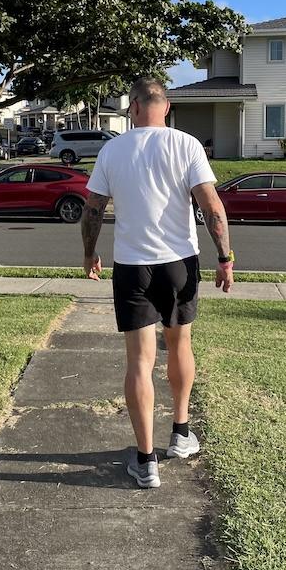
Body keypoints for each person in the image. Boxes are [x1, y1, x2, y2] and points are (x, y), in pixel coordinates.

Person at [80, 77, 233, 488]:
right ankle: (181, 435)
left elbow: (92, 208)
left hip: (132, 266)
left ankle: (146, 461)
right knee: (180, 344)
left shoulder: (113, 149)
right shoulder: (187, 145)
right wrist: (225, 257)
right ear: (165, 107)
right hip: (179, 264)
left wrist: (89, 253)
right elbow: (212, 208)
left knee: (139, 361)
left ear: (132, 107)